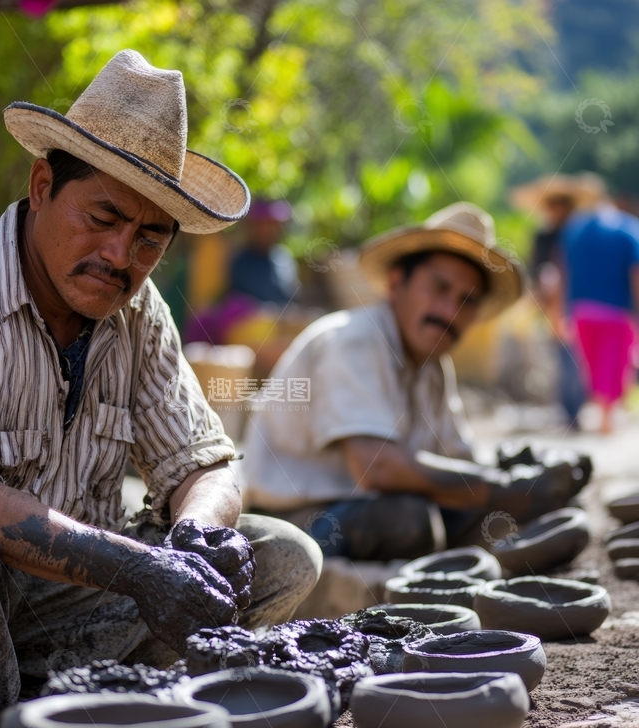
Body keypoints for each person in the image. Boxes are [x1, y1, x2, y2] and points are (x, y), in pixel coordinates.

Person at [0, 51, 322, 728]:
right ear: (42, 185)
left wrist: (197, 534)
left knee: (280, 558)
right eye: (102, 218)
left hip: (56, 598)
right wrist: (137, 568)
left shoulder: (138, 309)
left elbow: (207, 462)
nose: (121, 256)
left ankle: (81, 718)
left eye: (149, 237)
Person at [243, 203, 592, 560]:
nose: (448, 312)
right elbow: (377, 467)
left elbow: (458, 461)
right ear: (397, 283)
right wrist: (501, 487)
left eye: (466, 301)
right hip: (294, 523)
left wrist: (516, 470)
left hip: (369, 508)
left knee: (537, 503)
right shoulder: (353, 340)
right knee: (410, 518)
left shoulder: (432, 369)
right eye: (439, 288)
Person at [510, 172, 606, 426]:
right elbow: (536, 268)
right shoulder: (543, 237)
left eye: (562, 203)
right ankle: (570, 412)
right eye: (553, 204)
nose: (557, 209)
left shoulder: (581, 235)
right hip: (554, 304)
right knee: (562, 357)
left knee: (580, 357)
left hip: (582, 304)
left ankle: (580, 407)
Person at [560, 200, 639, 433]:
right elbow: (635, 275)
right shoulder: (629, 230)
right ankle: (607, 416)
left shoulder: (575, 232)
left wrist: (562, 312)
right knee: (614, 364)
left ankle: (603, 414)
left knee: (592, 365)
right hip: (616, 313)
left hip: (581, 311)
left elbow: (564, 272)